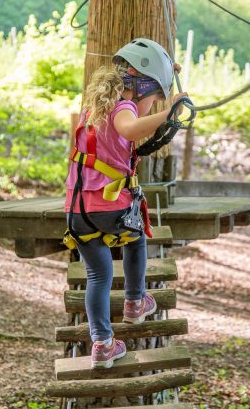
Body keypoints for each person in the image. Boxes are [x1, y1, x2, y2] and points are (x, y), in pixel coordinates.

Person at [64, 38, 187, 369]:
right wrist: (168, 111)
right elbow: (131, 129)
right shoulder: (124, 107)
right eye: (154, 98)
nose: (153, 105)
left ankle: (102, 344)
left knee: (99, 275)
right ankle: (135, 302)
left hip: (77, 213)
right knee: (137, 240)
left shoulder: (94, 108)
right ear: (140, 88)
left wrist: (168, 75)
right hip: (109, 208)